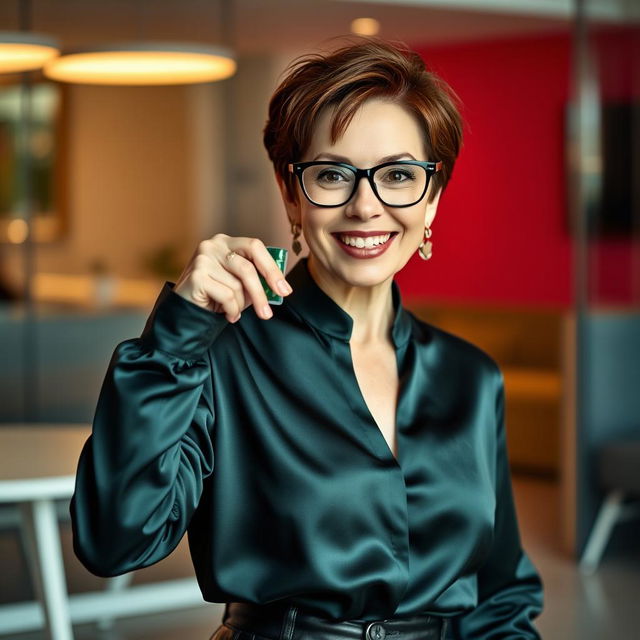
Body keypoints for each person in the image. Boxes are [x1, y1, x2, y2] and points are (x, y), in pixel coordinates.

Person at [71, 37, 544, 639]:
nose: (365, 206)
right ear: (291, 192)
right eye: (332, 174)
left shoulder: (471, 377)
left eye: (398, 175)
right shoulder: (221, 358)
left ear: (433, 197)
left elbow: (500, 598)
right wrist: (174, 340)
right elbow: (114, 539)